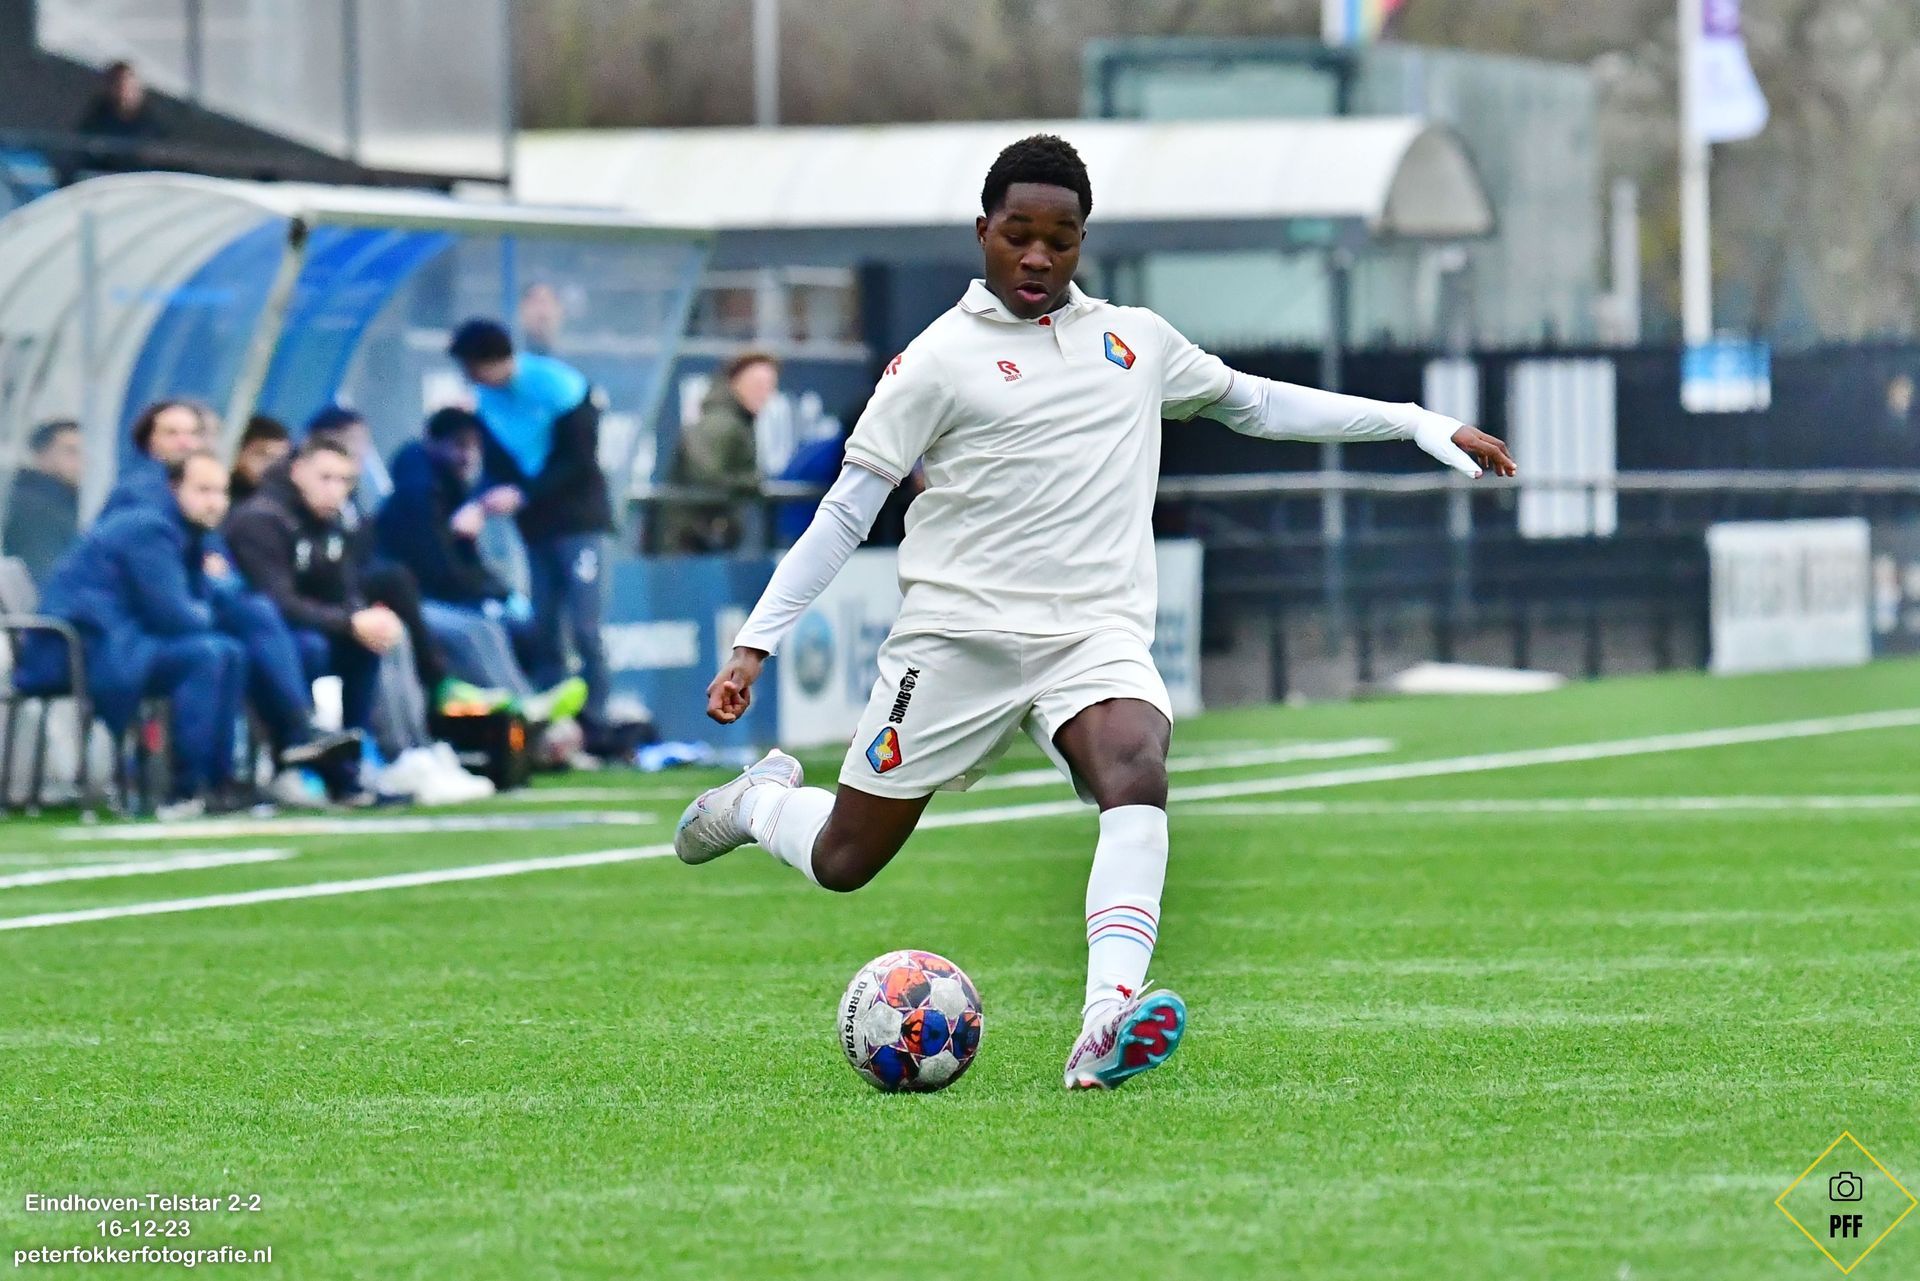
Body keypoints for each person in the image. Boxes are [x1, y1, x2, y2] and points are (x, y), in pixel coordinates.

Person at [673, 135, 1518, 1092]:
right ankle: (759, 802)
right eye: (1019, 235)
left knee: (1135, 766)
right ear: (983, 231)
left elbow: (1257, 403)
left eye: (1062, 239)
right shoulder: (935, 362)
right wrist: (755, 642)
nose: (1038, 257)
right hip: (956, 642)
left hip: (1091, 635)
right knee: (844, 859)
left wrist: (1415, 421)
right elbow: (844, 513)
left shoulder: (1135, 342)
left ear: (1083, 241)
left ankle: (1105, 1017)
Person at [15, 452, 354, 816]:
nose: (216, 503)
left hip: (127, 642)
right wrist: (219, 603)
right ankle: (188, 787)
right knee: (211, 653)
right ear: (174, 488)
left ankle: (223, 782)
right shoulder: (149, 529)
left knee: (236, 642)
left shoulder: (188, 531)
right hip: (84, 651)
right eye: (203, 491)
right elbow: (175, 615)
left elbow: (210, 597)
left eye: (221, 492)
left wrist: (220, 600)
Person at [106, 399, 356, 798]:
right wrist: (212, 589)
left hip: (169, 618)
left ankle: (294, 765)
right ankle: (280, 743)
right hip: (127, 635)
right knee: (232, 636)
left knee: (259, 641)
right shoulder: (142, 503)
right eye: (171, 432)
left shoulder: (193, 504)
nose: (184, 441)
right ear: (147, 441)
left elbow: (222, 576)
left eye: (192, 433)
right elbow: (168, 596)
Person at [225, 436, 491, 803]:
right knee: (325, 642)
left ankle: (367, 760)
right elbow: (278, 601)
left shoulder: (333, 521)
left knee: (377, 635)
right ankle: (386, 753)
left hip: (310, 628)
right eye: (325, 478)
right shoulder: (260, 519)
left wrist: (361, 618)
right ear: (297, 471)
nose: (335, 490)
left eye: (345, 481)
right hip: (271, 636)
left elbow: (344, 589)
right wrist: (349, 622)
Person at [448, 318, 613, 731]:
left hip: (579, 523)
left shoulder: (561, 389)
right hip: (537, 529)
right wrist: (480, 504)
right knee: (546, 626)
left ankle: (596, 720)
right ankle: (552, 723)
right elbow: (498, 467)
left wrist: (523, 494)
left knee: (586, 627)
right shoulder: (486, 403)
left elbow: (579, 461)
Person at [377, 407, 588, 722]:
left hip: (446, 599)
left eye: (474, 447)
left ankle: (531, 710)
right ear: (433, 442)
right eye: (460, 445)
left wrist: (498, 593)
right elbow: (438, 572)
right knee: (478, 631)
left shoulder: (453, 490)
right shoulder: (418, 495)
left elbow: (466, 564)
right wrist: (489, 595)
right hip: (416, 603)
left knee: (521, 628)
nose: (468, 456)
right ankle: (525, 711)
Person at [660, 352, 778, 553]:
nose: (764, 393)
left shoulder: (738, 421)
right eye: (757, 384)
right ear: (735, 382)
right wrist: (749, 483)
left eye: (770, 386)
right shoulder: (721, 422)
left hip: (700, 539)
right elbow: (704, 475)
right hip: (689, 542)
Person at [3, 419, 82, 583]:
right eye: (71, 451)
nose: (81, 460)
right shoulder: (32, 506)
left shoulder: (68, 503)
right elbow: (44, 572)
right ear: (41, 453)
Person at [75, 61, 166, 171]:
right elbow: (85, 145)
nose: (122, 89)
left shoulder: (151, 121)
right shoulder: (99, 116)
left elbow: (159, 152)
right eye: (117, 83)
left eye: (127, 84)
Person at [229, 414, 291, 507]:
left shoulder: (270, 503)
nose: (272, 466)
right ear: (239, 449)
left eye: (279, 461)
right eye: (265, 456)